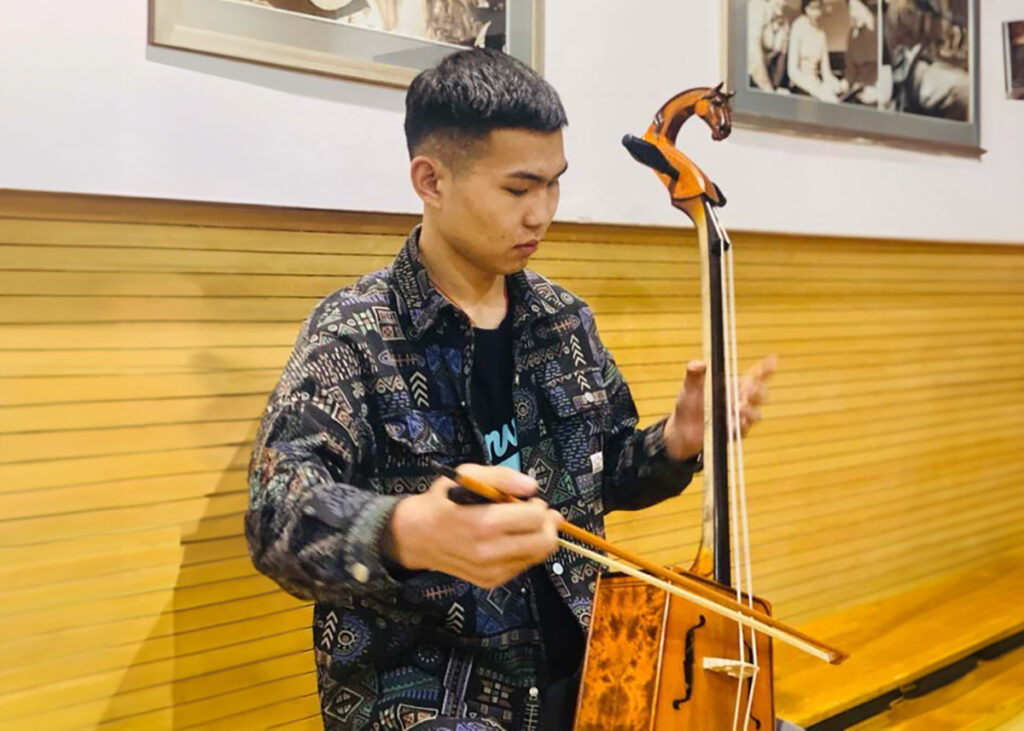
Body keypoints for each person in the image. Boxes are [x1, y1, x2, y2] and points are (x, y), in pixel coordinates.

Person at [245, 48, 772, 730]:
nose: (541, 213)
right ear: (430, 180)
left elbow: (606, 476)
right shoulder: (354, 332)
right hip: (436, 699)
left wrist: (675, 442)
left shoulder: (563, 318)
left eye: (554, 185)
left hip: (594, 674)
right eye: (518, 189)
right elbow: (275, 517)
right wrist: (405, 531)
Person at [787, 0, 849, 102]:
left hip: (817, 85)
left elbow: (826, 73)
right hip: (800, 87)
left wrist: (837, 85)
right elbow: (793, 72)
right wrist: (815, 90)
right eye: (812, 8)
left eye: (818, 8)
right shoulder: (798, 27)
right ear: (805, 8)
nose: (816, 13)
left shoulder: (821, 34)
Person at [748, 0, 792, 93]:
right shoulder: (757, 7)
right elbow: (754, 55)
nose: (782, 3)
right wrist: (768, 88)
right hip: (750, 74)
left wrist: (776, 86)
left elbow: (782, 55)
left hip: (768, 74)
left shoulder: (784, 19)